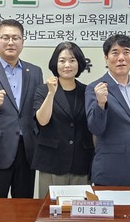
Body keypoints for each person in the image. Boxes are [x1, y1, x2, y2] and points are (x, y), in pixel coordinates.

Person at [0, 19, 43, 198]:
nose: (11, 42)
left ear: (22, 41)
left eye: (15, 38)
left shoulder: (35, 71)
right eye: (5, 37)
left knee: (24, 207)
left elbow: (37, 111)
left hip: (27, 151)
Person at [32, 41, 94, 199]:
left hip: (81, 161)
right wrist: (51, 94)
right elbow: (42, 121)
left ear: (79, 63)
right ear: (55, 63)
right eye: (62, 60)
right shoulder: (43, 90)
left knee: (80, 209)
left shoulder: (87, 91)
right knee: (50, 209)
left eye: (72, 60)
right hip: (52, 162)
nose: (67, 65)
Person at [86, 34, 130, 186]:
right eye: (115, 53)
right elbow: (96, 129)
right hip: (111, 170)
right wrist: (100, 104)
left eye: (126, 52)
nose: (121, 58)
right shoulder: (95, 88)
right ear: (106, 58)